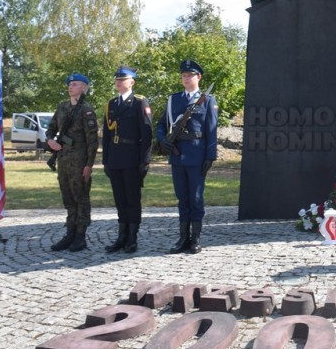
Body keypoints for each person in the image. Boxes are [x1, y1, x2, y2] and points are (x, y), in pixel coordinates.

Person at [155, 59, 218, 254]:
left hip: (197, 154)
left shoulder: (208, 100)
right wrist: (161, 139)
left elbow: (211, 130)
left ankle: (196, 239)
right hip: (177, 155)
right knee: (182, 198)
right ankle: (183, 238)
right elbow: (161, 125)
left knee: (196, 198)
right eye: (183, 75)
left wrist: (210, 156)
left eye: (189, 75)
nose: (186, 78)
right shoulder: (174, 99)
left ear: (198, 77)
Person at [101, 66, 153, 254]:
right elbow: (106, 135)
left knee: (132, 199)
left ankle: (132, 237)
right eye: (117, 79)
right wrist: (105, 160)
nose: (119, 82)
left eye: (123, 79)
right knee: (119, 199)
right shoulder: (111, 104)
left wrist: (144, 161)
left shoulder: (139, 103)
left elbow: (147, 134)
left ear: (132, 82)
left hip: (132, 157)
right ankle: (121, 236)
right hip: (115, 158)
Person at [45, 73, 99, 252]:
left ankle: (80, 236)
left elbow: (92, 141)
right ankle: (70, 233)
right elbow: (51, 128)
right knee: (68, 198)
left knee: (81, 197)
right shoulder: (62, 107)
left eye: (75, 84)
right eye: (70, 84)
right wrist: (50, 140)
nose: (71, 87)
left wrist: (89, 165)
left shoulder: (86, 110)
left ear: (84, 88)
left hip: (79, 161)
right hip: (63, 160)